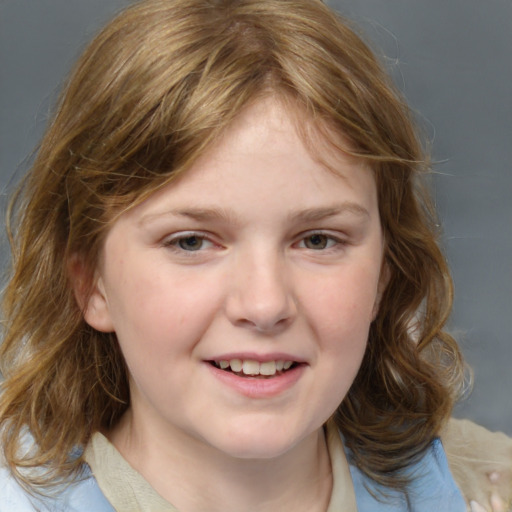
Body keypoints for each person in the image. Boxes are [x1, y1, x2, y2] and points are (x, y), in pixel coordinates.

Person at [0, 0, 510, 510]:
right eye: (191, 242)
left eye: (318, 240)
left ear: (384, 272)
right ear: (91, 283)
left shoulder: (488, 489)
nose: (265, 306)